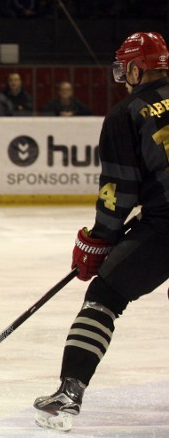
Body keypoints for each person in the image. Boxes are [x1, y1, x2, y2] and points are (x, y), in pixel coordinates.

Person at [33, 31, 169, 432]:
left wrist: (98, 240)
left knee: (104, 296)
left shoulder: (126, 113)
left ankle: (69, 392)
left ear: (134, 68)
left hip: (164, 223)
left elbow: (119, 191)